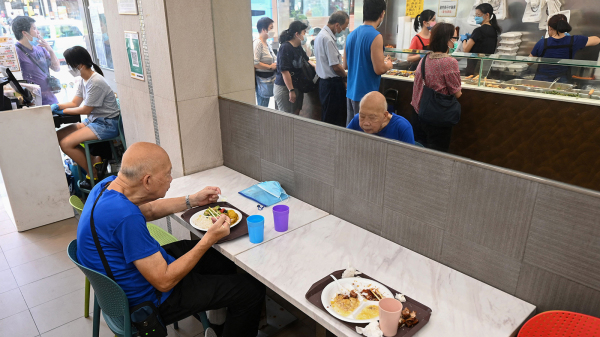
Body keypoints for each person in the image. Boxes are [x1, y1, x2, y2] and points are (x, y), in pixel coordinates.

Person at [77, 142, 265, 337]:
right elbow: (165, 281)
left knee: (221, 260)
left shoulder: (105, 187)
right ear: (147, 180)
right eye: (167, 174)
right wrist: (208, 238)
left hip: (133, 280)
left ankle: (219, 326)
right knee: (251, 291)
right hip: (149, 302)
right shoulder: (126, 218)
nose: (171, 179)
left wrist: (192, 200)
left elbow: (148, 210)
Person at [54, 46, 121, 189]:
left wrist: (64, 111)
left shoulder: (96, 82)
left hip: (106, 124)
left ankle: (94, 173)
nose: (69, 68)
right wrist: (57, 106)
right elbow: (74, 103)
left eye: (70, 64)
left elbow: (85, 109)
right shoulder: (82, 80)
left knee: (66, 144)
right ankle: (92, 159)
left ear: (81, 65)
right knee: (58, 136)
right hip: (94, 120)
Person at [411, 23, 462, 152]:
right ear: (447, 40)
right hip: (437, 117)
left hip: (419, 113)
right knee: (438, 155)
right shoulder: (449, 62)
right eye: (454, 38)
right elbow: (457, 93)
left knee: (420, 151)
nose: (455, 42)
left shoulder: (424, 59)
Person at [345, 0, 393, 126]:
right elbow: (379, 69)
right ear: (382, 14)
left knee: (352, 129)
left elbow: (345, 65)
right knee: (366, 132)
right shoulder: (376, 36)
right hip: (366, 95)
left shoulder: (351, 35)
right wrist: (388, 64)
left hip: (351, 92)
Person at [530, 14, 600, 83]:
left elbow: (529, 62)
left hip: (540, 81)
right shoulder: (574, 41)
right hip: (561, 82)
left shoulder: (542, 42)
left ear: (550, 28)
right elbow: (597, 40)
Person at [12, 16, 60, 105]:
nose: (38, 32)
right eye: (34, 28)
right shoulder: (15, 52)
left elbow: (57, 68)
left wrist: (50, 50)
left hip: (51, 100)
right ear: (25, 33)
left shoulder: (40, 48)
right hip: (34, 103)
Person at [314, 11, 349, 127]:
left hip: (324, 84)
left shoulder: (320, 35)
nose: (342, 31)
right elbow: (336, 66)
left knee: (327, 115)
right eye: (343, 28)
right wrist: (345, 76)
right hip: (332, 85)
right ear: (337, 25)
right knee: (335, 119)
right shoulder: (328, 39)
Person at [347, 91, 414, 144]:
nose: (366, 123)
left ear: (385, 116)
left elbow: (410, 158)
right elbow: (343, 143)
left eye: (372, 118)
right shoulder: (356, 119)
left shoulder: (402, 127)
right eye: (362, 116)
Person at [274, 21, 310, 115]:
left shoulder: (298, 47)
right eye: (304, 32)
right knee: (287, 118)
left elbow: (307, 60)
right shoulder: (285, 47)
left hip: (297, 85)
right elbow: (285, 71)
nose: (305, 35)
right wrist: (291, 90)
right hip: (285, 88)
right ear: (297, 34)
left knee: (295, 115)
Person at [461, 3, 501, 76]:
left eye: (478, 15)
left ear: (487, 15)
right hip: (486, 66)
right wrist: (473, 37)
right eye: (475, 15)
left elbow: (466, 50)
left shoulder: (478, 30)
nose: (476, 17)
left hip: (474, 66)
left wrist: (464, 40)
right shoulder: (494, 31)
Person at [253, 17, 277, 107]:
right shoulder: (258, 43)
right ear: (263, 29)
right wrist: (270, 67)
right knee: (263, 107)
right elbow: (255, 63)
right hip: (262, 81)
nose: (272, 30)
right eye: (271, 27)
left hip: (269, 79)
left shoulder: (267, 43)